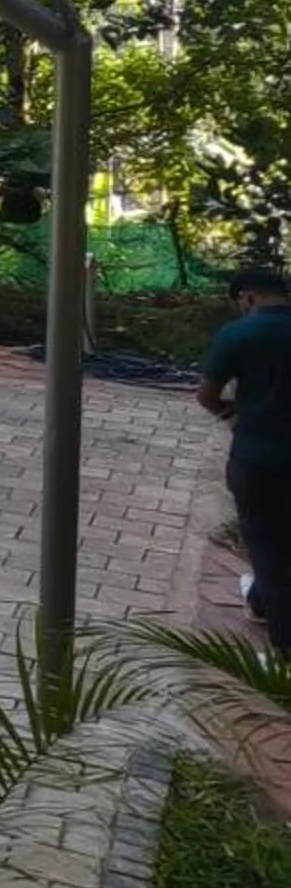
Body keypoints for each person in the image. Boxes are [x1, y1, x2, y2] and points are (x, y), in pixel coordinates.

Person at [198, 260, 291, 655]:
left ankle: (284, 644)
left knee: (268, 544)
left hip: (258, 457)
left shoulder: (239, 334)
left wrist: (228, 413)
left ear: (247, 298)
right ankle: (260, 602)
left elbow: (206, 394)